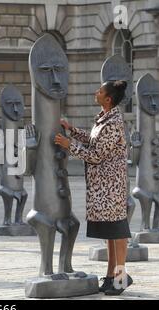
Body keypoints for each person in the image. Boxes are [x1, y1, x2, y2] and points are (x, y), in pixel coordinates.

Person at [54, 80, 133, 296]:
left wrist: (70, 145)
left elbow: (96, 155)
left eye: (99, 91)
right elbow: (93, 141)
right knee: (110, 232)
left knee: (117, 231)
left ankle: (120, 277)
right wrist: (73, 131)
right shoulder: (103, 118)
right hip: (102, 186)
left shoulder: (113, 122)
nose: (95, 92)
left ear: (108, 99)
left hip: (111, 186)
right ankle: (110, 277)